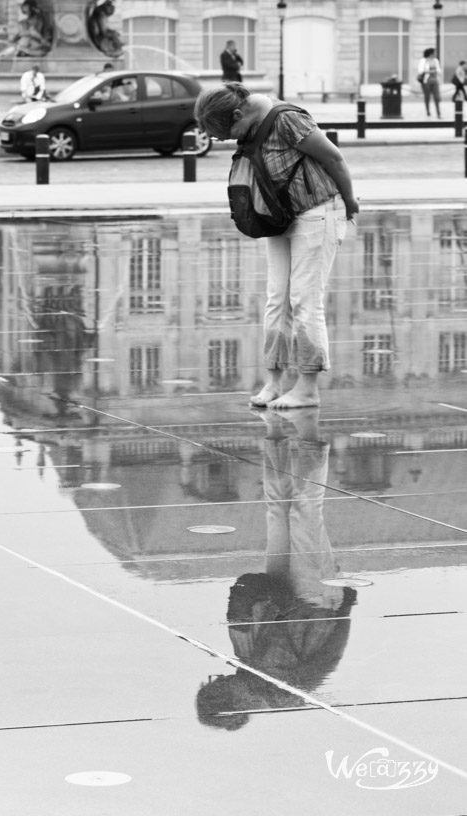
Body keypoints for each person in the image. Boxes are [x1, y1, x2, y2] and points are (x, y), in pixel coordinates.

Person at [194, 83, 358, 408]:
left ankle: (307, 388)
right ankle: (274, 381)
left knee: (304, 300)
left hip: (319, 211)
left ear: (238, 114)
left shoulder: (287, 119)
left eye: (228, 132)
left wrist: (350, 202)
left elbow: (334, 158)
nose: (231, 140)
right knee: (276, 300)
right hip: (280, 216)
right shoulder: (250, 125)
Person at [196, 408, 356, 730]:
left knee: (277, 508)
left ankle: (274, 429)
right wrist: (343, 603)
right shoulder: (282, 692)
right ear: (233, 701)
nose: (219, 676)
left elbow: (242, 602)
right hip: (313, 601)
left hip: (283, 593)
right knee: (304, 512)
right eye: (217, 684)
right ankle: (308, 429)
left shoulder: (246, 668)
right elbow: (325, 650)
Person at [417, 46, 442, 117]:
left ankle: (438, 112)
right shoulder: (423, 60)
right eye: (435, 52)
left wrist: (435, 71)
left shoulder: (436, 60)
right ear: (431, 53)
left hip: (434, 80)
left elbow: (439, 70)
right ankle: (428, 111)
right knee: (427, 96)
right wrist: (430, 71)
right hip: (426, 80)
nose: (436, 54)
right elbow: (420, 71)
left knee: (437, 97)